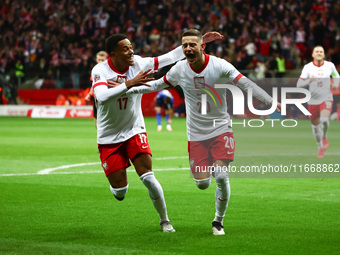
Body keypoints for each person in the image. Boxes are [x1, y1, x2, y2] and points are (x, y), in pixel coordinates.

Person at [127, 29, 280, 235]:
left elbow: (245, 83)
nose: (188, 48)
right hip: (196, 134)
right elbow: (156, 84)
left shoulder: (220, 65)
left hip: (221, 128)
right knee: (202, 184)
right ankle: (206, 180)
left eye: (192, 44)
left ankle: (218, 222)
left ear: (202, 46)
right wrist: (126, 87)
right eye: (185, 45)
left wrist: (269, 101)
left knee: (221, 175)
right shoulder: (179, 69)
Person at [91, 32, 222, 232]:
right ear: (113, 54)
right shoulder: (100, 70)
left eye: (131, 47)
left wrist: (200, 41)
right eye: (125, 49)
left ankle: (165, 220)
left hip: (134, 129)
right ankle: (117, 187)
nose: (131, 51)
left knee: (148, 176)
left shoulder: (138, 63)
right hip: (108, 135)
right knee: (120, 191)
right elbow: (101, 95)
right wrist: (129, 83)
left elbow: (168, 58)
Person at [297, 46, 339, 158]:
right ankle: (320, 148)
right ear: (313, 55)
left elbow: (337, 76)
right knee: (315, 127)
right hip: (313, 101)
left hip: (326, 98)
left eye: (321, 51)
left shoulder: (330, 66)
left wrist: (335, 84)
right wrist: (308, 80)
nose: (319, 53)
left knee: (325, 119)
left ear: (324, 54)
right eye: (317, 51)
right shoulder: (307, 67)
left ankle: (324, 137)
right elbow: (299, 84)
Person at [85, 51, 108, 128]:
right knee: (97, 121)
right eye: (99, 60)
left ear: (107, 59)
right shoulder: (95, 70)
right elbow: (93, 84)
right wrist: (89, 94)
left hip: (108, 97)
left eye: (102, 60)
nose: (100, 62)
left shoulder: (110, 70)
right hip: (97, 98)